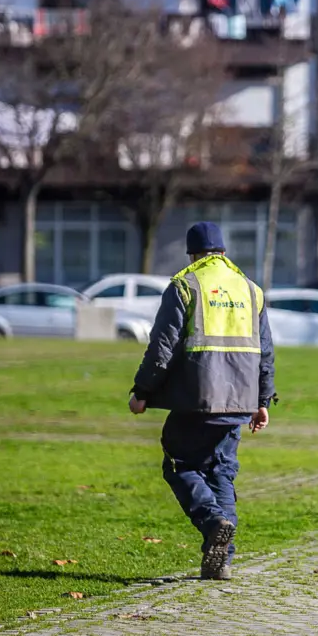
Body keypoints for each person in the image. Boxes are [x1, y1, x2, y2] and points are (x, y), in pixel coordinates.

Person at [129, 222, 276, 581]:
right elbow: (266, 351)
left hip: (198, 399)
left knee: (180, 464)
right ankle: (223, 559)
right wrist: (262, 400)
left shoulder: (185, 285)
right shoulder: (251, 290)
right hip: (239, 402)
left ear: (193, 253)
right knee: (221, 472)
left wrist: (142, 391)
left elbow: (162, 345)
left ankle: (213, 522)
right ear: (223, 252)